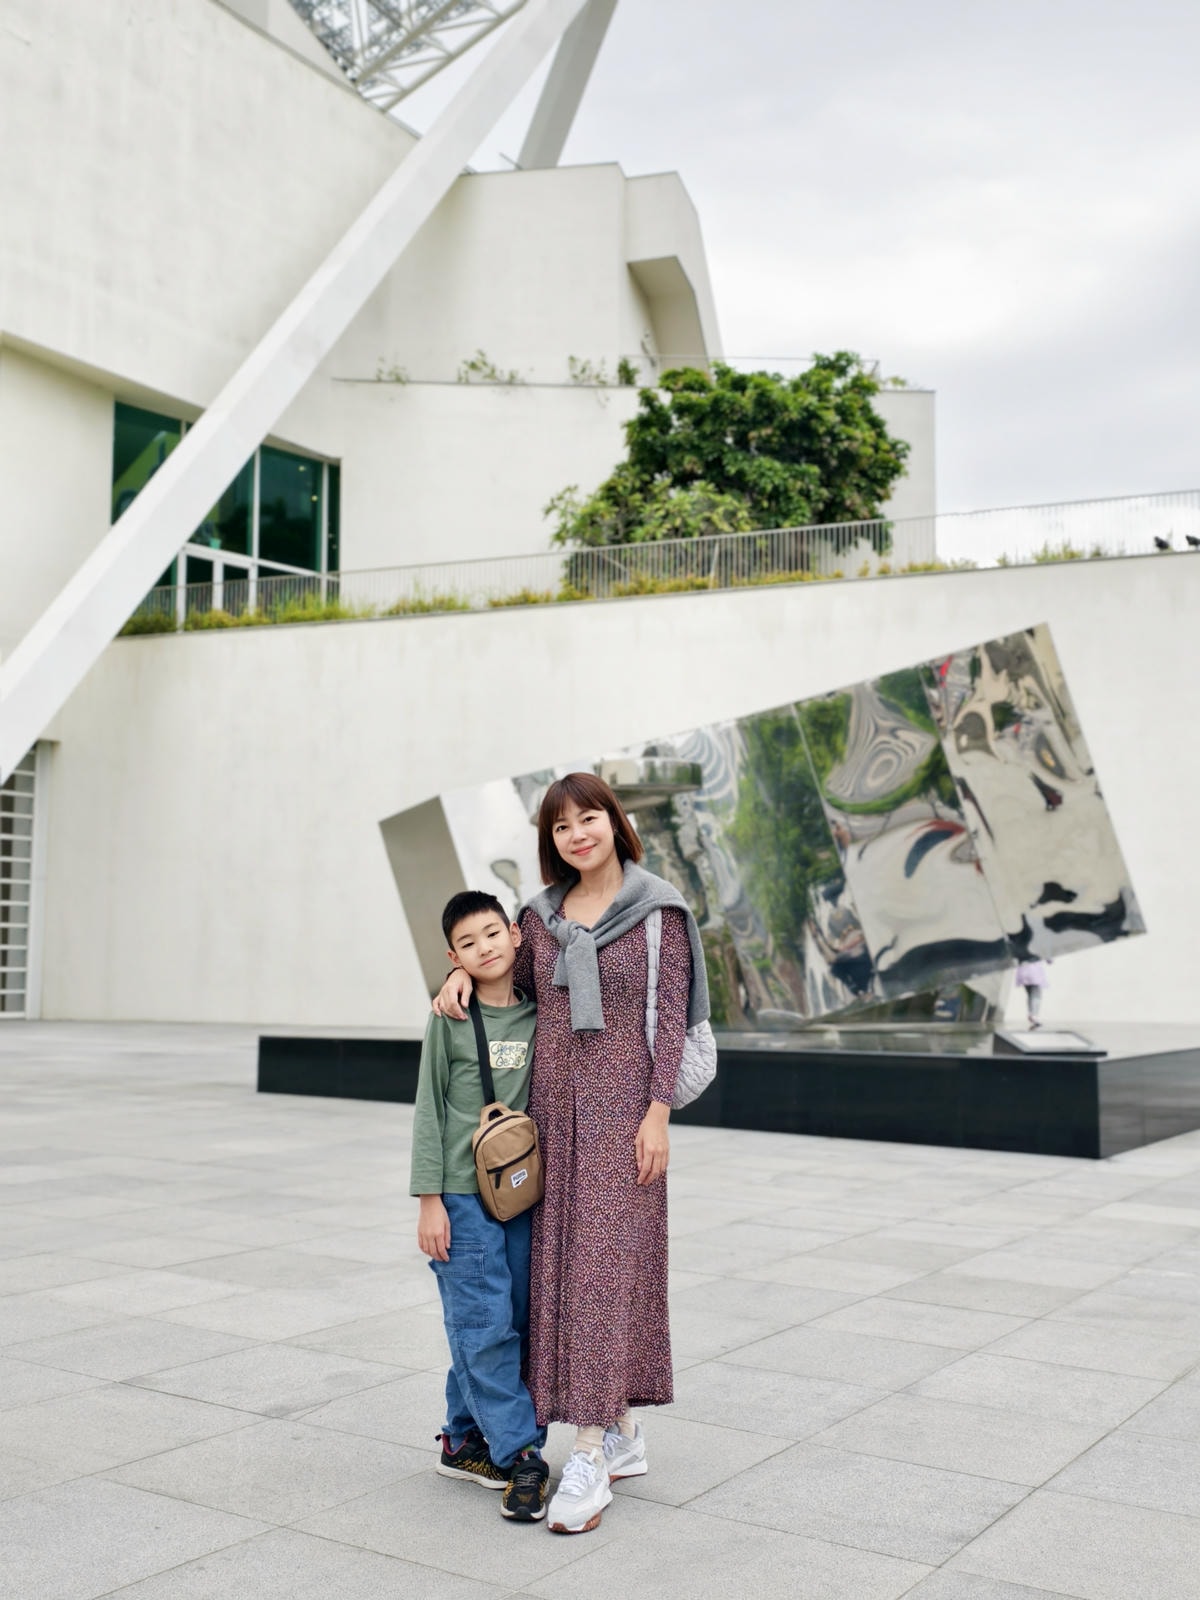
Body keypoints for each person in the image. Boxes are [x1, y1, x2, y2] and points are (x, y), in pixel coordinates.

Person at [436, 773, 710, 1535]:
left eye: (588, 818)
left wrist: (658, 1116)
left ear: (613, 822)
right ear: (549, 842)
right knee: (565, 1275)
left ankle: (587, 1451)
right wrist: (461, 969)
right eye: (560, 827)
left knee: (599, 1272)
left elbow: (670, 1023)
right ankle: (620, 1428)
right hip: (548, 1120)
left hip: (625, 1120)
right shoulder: (537, 916)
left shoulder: (659, 913)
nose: (577, 834)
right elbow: (504, 984)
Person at [410, 890, 549, 1522]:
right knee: (482, 1321)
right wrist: (429, 1202)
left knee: (506, 1316)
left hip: (517, 1191)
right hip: (462, 1197)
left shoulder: (539, 1012)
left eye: (493, 934)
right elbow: (428, 1110)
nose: (484, 948)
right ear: (451, 956)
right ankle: (522, 1454)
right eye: (467, 944)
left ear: (517, 935)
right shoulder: (450, 1017)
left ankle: (461, 1439)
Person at [1015, 955, 1050, 1029]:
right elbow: (1048, 958)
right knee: (1036, 994)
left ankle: (1031, 1013)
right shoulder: (1038, 944)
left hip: (1022, 970)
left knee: (1030, 994)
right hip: (1034, 970)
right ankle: (1033, 1015)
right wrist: (1049, 959)